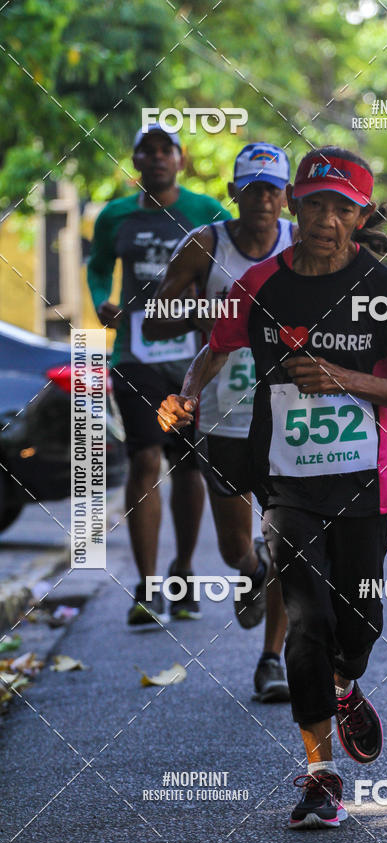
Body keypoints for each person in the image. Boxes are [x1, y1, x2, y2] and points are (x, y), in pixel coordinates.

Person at [157, 146, 387, 828]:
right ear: (294, 205)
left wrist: (344, 378)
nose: (326, 220)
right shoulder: (261, 284)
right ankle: (320, 775)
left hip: (366, 479)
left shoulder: (383, 289)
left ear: (361, 217)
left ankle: (345, 686)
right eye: (315, 205)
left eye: (342, 208)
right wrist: (187, 393)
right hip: (286, 481)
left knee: (359, 623)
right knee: (308, 620)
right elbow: (215, 348)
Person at [144, 143, 294, 701]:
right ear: (233, 193)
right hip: (224, 414)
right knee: (236, 546)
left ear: (286, 196)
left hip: (288, 415)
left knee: (289, 540)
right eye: (252, 189)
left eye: (272, 190)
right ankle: (250, 568)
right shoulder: (205, 245)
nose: (262, 200)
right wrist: (208, 313)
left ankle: (272, 660)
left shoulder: (301, 242)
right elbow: (155, 321)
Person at [87, 123, 231, 626]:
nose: (155, 158)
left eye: (164, 150)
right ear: (136, 162)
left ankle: (183, 573)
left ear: (180, 159)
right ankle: (147, 587)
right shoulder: (115, 216)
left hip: (194, 355)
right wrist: (101, 299)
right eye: (145, 151)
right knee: (145, 457)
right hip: (136, 352)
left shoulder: (206, 211)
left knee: (188, 466)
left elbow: (237, 258)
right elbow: (98, 265)